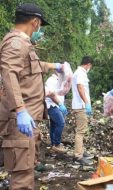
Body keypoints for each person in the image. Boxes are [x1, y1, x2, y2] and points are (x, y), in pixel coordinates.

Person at [0, 3, 64, 189]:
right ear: (35, 22)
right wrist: (20, 110)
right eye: (40, 27)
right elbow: (9, 74)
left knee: (27, 170)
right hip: (20, 121)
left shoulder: (22, 44)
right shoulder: (16, 43)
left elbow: (30, 67)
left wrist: (55, 66)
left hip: (28, 122)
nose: (40, 31)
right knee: (22, 178)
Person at [72, 56, 94, 165]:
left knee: (82, 130)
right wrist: (86, 103)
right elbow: (80, 87)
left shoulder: (79, 72)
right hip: (81, 106)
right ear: (88, 64)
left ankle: (80, 151)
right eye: (90, 66)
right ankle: (78, 156)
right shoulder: (80, 73)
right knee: (80, 131)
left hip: (81, 105)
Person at [45, 73, 68, 153]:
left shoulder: (58, 81)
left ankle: (53, 145)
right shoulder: (51, 80)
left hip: (56, 106)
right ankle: (57, 144)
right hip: (52, 106)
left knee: (54, 125)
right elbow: (51, 95)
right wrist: (60, 104)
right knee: (60, 123)